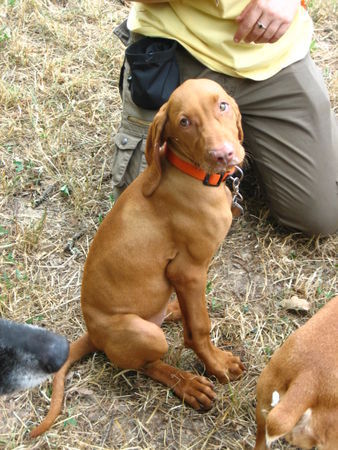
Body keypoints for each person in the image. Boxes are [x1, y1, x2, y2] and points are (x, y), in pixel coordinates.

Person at [113, 0, 338, 235]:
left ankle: (249, 140)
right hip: (181, 48)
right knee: (144, 223)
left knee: (321, 216)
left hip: (272, 52)